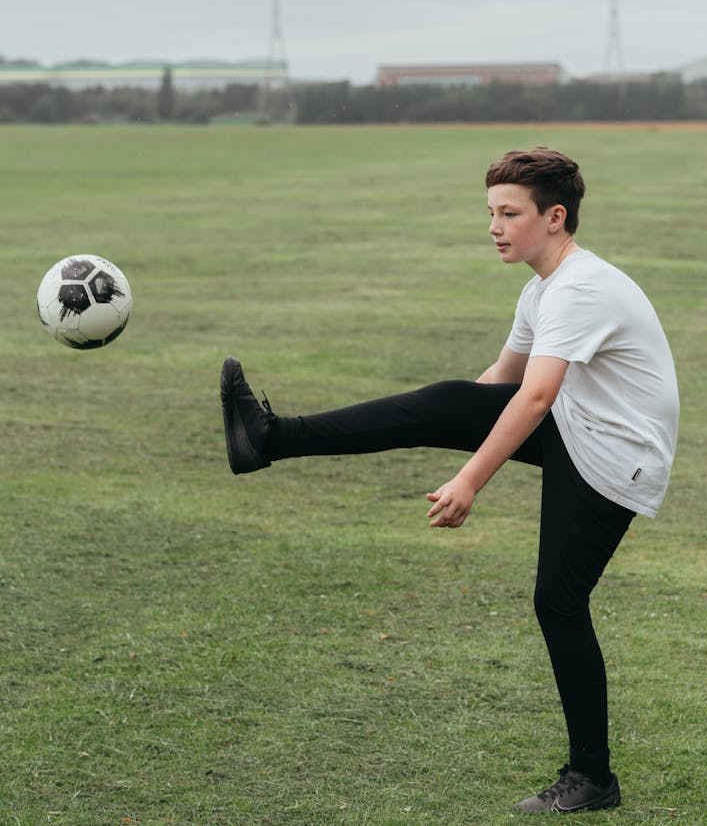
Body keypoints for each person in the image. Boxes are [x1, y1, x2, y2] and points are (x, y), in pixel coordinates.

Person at [220, 146, 679, 815]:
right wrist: (446, 421)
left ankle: (592, 778)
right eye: (490, 212)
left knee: (558, 601)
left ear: (556, 217)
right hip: (586, 429)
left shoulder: (579, 289)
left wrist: (470, 479)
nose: (495, 226)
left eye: (510, 213)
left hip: (615, 459)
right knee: (445, 399)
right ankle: (271, 438)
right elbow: (493, 388)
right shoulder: (542, 287)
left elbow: (534, 398)